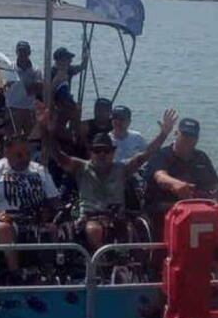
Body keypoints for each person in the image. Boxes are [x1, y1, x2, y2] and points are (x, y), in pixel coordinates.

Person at [41, 104, 175, 252]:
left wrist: (163, 134)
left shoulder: (122, 168)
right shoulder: (81, 167)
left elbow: (146, 154)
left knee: (129, 230)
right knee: (94, 230)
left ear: (113, 152)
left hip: (117, 218)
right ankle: (101, 261)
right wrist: (46, 131)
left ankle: (125, 261)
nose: (102, 154)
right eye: (98, 150)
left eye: (106, 150)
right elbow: (58, 155)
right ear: (91, 152)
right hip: (90, 218)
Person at [0, 136, 60, 277]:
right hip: (5, 220)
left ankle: (51, 271)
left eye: (28, 154)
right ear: (7, 152)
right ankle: (15, 273)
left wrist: (50, 211)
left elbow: (54, 201)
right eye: (19, 155)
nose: (25, 159)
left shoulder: (40, 170)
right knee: (4, 229)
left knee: (53, 228)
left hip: (34, 218)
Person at [144, 117, 218, 239]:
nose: (188, 139)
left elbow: (215, 185)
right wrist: (175, 184)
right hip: (165, 209)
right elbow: (160, 176)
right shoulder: (161, 154)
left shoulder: (201, 157)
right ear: (176, 134)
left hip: (198, 210)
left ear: (197, 138)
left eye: (192, 136)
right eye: (184, 135)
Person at [5, 41, 41, 137]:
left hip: (29, 109)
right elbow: (3, 86)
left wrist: (26, 86)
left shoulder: (36, 70)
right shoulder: (9, 68)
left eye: (25, 51)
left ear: (29, 52)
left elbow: (36, 89)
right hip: (13, 108)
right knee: (12, 137)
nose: (22, 54)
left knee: (30, 137)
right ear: (16, 52)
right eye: (20, 51)